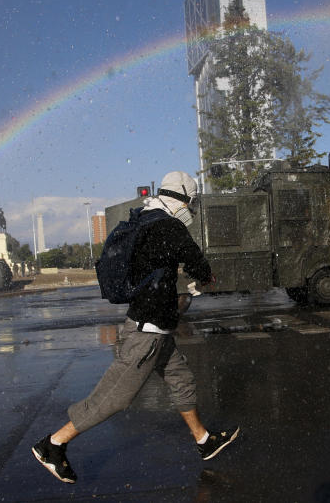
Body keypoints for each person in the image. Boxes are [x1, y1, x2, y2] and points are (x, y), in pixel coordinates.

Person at [32, 171, 239, 484]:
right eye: (192, 203)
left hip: (156, 326)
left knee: (181, 379)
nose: (192, 211)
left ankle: (203, 440)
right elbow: (196, 261)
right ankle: (53, 445)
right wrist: (205, 277)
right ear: (183, 199)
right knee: (114, 396)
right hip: (148, 332)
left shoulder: (146, 217)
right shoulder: (168, 225)